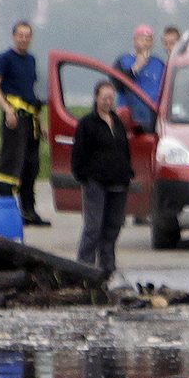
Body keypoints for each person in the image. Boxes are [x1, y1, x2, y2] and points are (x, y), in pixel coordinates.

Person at [0, 20, 51, 226]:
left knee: (30, 166)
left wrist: (40, 123)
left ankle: (28, 212)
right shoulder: (4, 59)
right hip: (14, 118)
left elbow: (32, 94)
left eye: (27, 35)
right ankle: (7, 213)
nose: (23, 39)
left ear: (31, 38)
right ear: (13, 36)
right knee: (10, 164)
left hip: (31, 118)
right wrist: (7, 110)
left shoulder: (31, 60)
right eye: (20, 35)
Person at [72, 81, 133, 275]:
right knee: (93, 226)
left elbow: (124, 150)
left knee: (113, 227)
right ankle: (84, 268)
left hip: (119, 182)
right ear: (96, 98)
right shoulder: (87, 124)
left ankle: (107, 268)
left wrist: (127, 173)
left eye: (111, 98)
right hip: (96, 182)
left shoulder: (117, 123)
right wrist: (84, 176)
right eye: (104, 97)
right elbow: (78, 154)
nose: (108, 101)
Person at [113, 24, 165, 127]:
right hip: (129, 115)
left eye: (148, 40)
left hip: (153, 115)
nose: (145, 43)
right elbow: (117, 84)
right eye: (142, 39)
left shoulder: (159, 63)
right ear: (135, 40)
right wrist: (135, 68)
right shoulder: (123, 61)